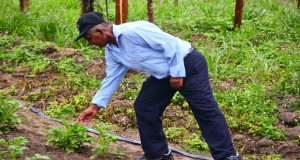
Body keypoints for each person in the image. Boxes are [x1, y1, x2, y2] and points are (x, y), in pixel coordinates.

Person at [75, 12, 243, 160]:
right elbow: (112, 77)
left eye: (88, 38)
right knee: (145, 106)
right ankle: (158, 154)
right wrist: (95, 106)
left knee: (205, 110)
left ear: (99, 31)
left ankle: (227, 156)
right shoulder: (112, 50)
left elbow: (171, 45)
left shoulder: (134, 31)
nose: (90, 43)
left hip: (187, 64)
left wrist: (177, 73)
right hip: (164, 75)